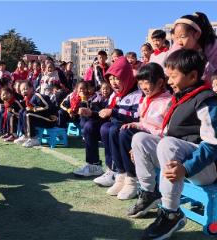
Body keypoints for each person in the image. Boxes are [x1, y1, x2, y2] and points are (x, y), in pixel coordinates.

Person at [128, 49, 217, 239]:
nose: (168, 82)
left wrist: (186, 168)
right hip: (182, 161)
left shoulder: (206, 101)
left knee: (168, 145)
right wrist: (141, 151)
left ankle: (171, 213)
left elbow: (213, 145)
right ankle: (149, 192)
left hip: (208, 168)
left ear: (192, 76)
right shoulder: (179, 98)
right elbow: (167, 135)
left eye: (173, 77)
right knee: (140, 139)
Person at [109, 63, 171, 200]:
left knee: (126, 134)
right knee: (119, 130)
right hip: (144, 135)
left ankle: (133, 179)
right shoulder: (146, 99)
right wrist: (136, 124)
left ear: (160, 82)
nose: (143, 86)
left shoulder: (167, 101)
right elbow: (144, 122)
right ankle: (123, 175)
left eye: (146, 82)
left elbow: (165, 131)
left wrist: (138, 141)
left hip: (157, 141)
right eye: (140, 82)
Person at [73, 57, 142, 180]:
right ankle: (94, 165)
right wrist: (91, 113)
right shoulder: (115, 95)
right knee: (90, 126)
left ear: (126, 77)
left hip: (128, 129)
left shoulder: (137, 94)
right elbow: (105, 112)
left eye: (117, 78)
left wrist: (113, 112)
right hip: (114, 126)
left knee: (108, 128)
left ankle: (115, 170)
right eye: (110, 79)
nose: (113, 82)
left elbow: (137, 116)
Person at [169, 12, 217, 82]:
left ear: (197, 34)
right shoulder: (177, 48)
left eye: (183, 37)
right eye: (176, 37)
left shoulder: (212, 47)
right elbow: (169, 69)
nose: (179, 41)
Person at [14, 81, 57, 148]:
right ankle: (25, 135)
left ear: (32, 88)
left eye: (26, 89)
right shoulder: (27, 99)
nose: (24, 91)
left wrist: (34, 109)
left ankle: (34, 138)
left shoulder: (37, 96)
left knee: (28, 114)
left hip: (50, 119)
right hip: (41, 118)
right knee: (22, 111)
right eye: (22, 90)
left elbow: (48, 107)